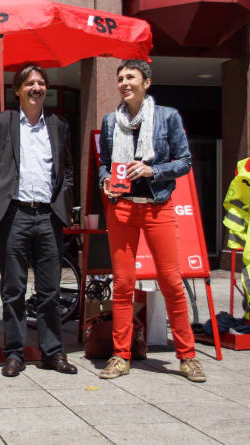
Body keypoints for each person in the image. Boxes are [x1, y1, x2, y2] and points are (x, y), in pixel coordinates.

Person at [97, 59, 205, 382]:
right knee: (123, 284)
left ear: (146, 82)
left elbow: (184, 161)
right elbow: (103, 163)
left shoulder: (167, 117)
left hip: (158, 206)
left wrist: (152, 170)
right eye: (120, 78)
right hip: (122, 208)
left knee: (171, 282)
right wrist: (104, 179)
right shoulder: (109, 121)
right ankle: (121, 355)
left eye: (130, 77)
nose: (124, 83)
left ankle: (187, 357)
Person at [0, 63, 76, 377]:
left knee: (50, 292)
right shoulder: (2, 122)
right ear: (17, 90)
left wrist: (64, 202)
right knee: (13, 289)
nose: (36, 88)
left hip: (48, 216)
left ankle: (52, 353)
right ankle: (14, 353)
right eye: (29, 83)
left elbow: (67, 171)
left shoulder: (58, 125)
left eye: (41, 83)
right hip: (14, 215)